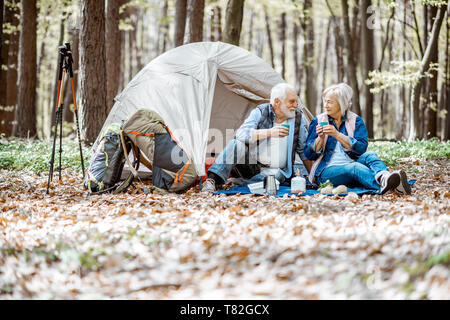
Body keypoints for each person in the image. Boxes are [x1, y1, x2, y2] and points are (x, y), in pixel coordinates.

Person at [201, 83, 312, 193]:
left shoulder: (297, 118)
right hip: (252, 166)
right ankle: (212, 180)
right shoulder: (260, 112)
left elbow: (303, 150)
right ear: (277, 102)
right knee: (236, 143)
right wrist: (269, 132)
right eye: (291, 101)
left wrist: (312, 177)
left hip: (278, 171)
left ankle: (241, 182)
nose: (296, 105)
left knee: (274, 177)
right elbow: (241, 134)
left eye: (296, 101)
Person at [304, 83, 411, 195]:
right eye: (324, 101)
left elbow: (361, 148)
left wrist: (337, 135)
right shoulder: (318, 121)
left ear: (341, 103)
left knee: (370, 155)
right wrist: (320, 139)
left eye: (329, 102)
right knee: (355, 168)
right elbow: (308, 154)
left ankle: (384, 177)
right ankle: (392, 186)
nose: (325, 105)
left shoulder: (355, 121)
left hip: (352, 163)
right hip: (326, 172)